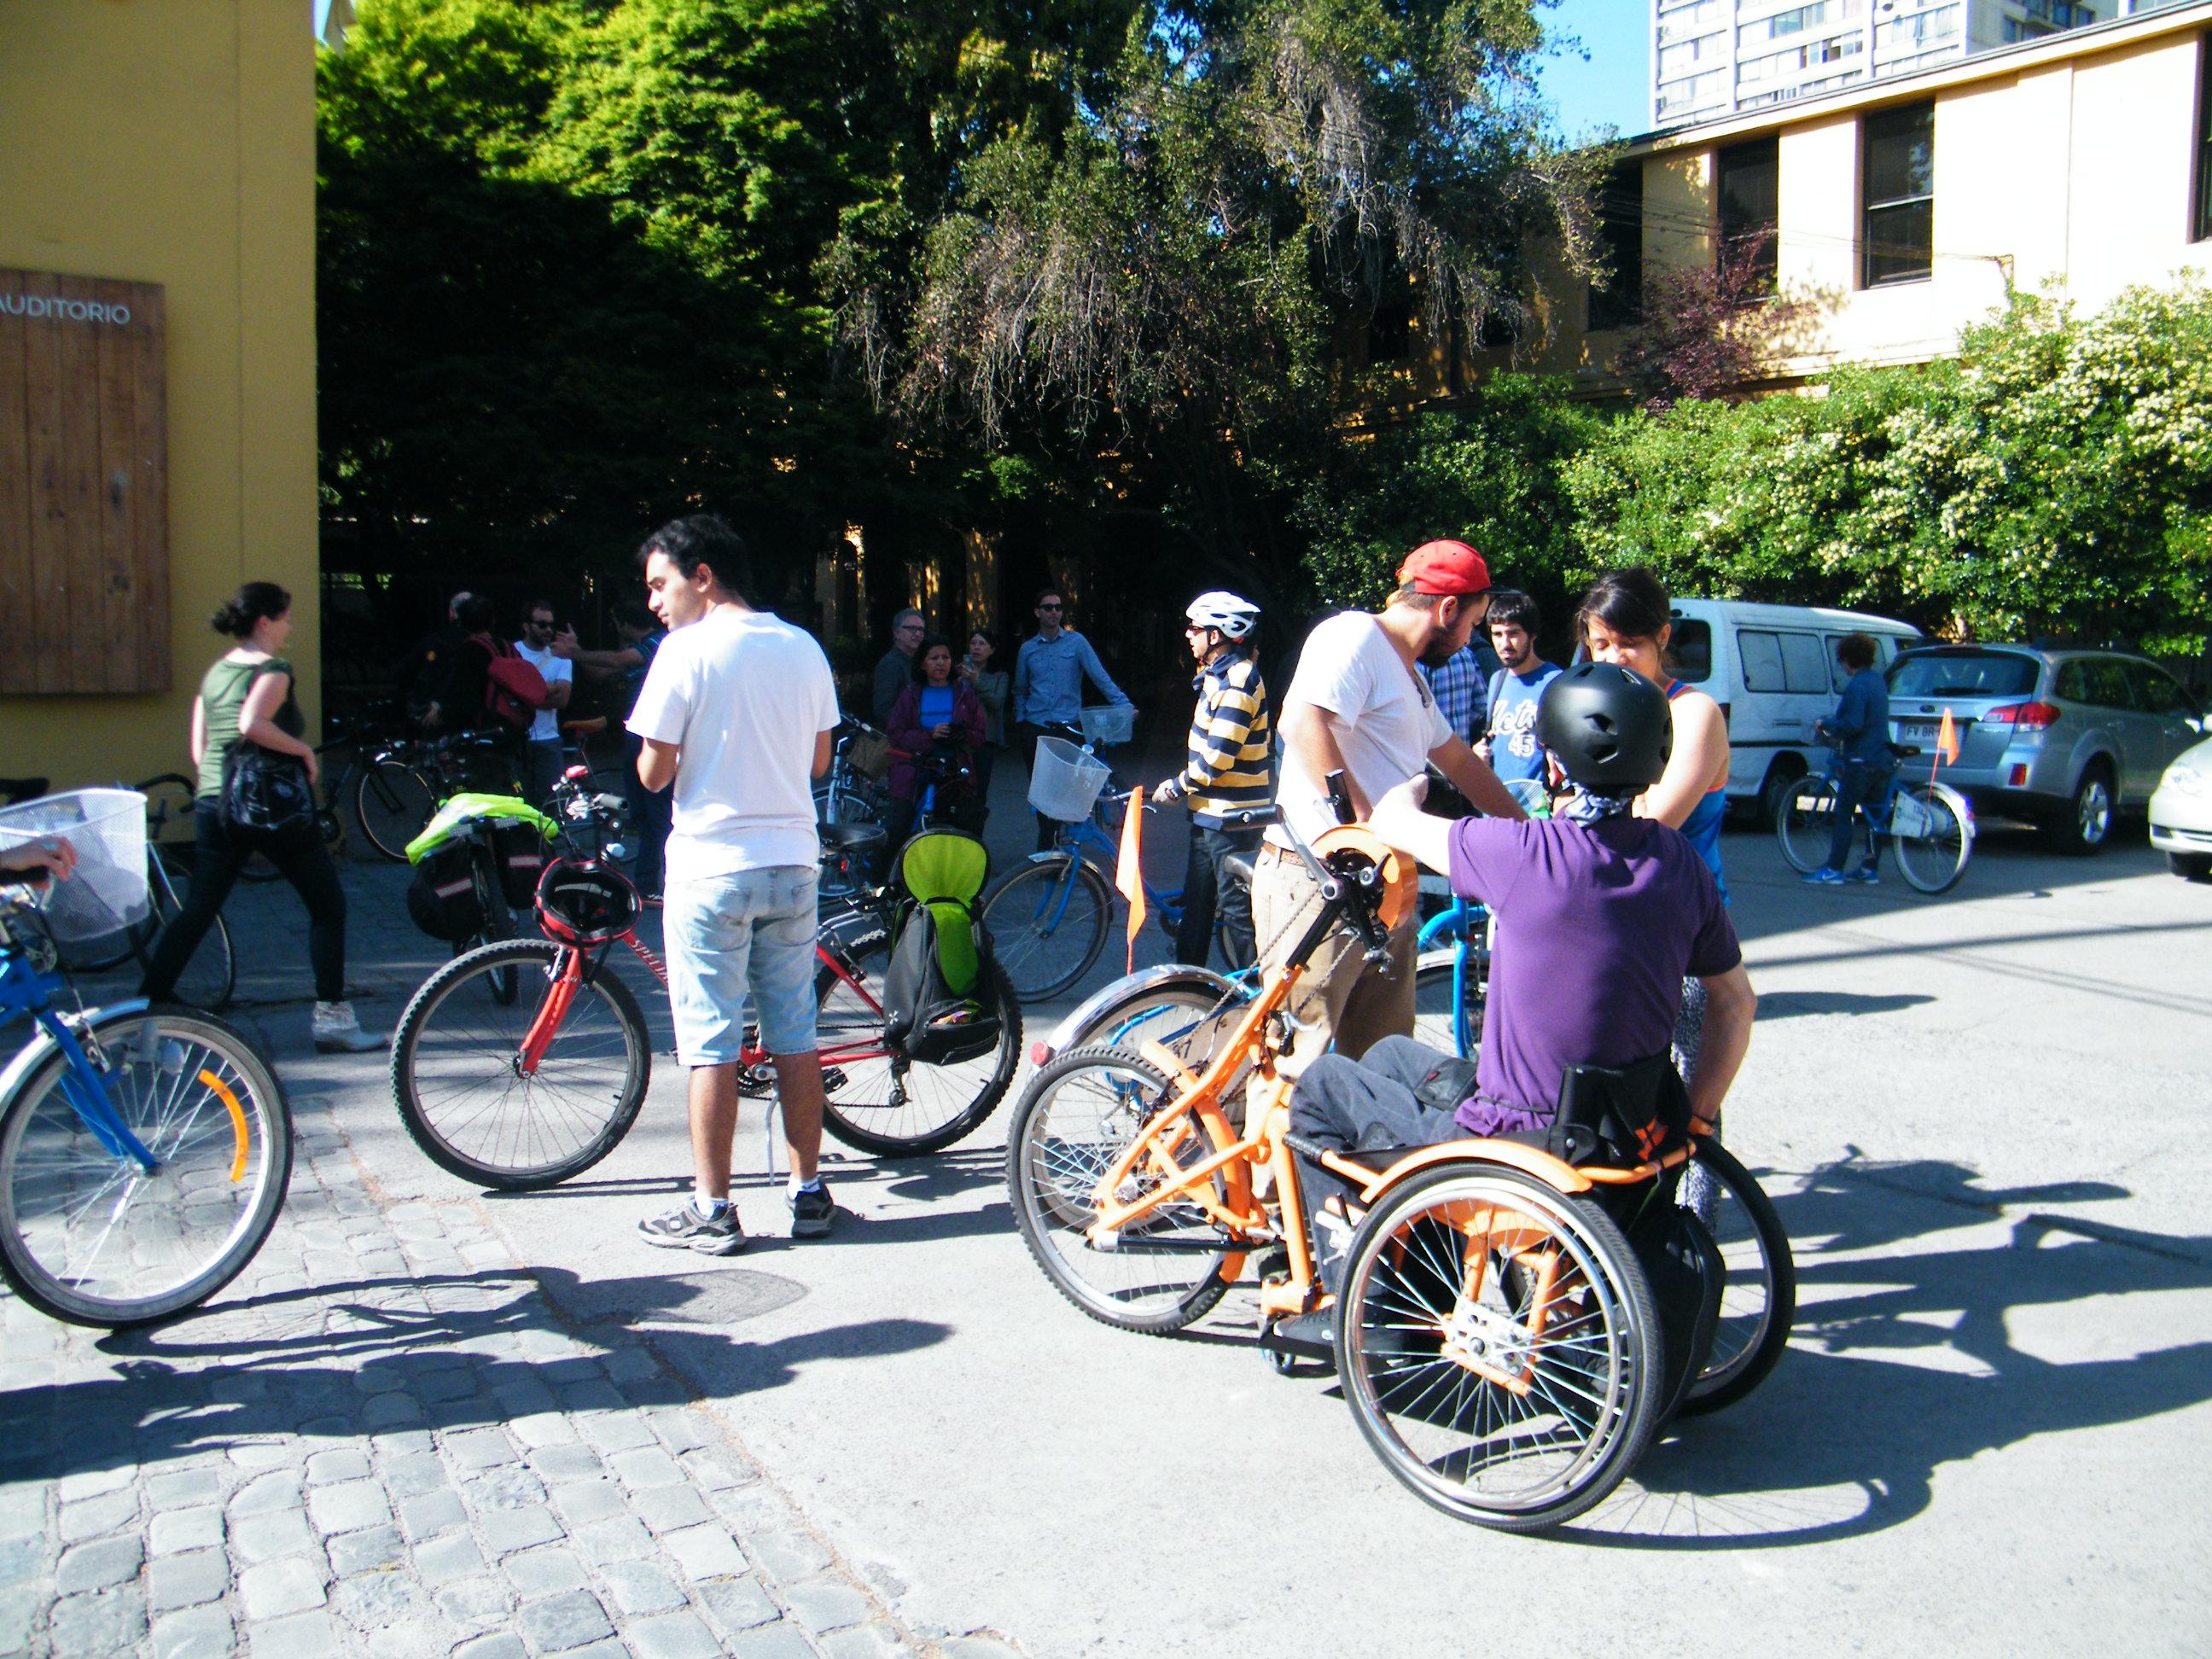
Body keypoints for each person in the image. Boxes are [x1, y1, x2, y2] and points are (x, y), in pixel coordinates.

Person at [1289, 663, 1756, 1286]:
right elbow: (1734, 1006)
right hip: (1622, 1135)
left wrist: (1412, 786)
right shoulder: (1678, 863)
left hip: (1517, 1143)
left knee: (1320, 1086)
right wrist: (1695, 1118)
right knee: (1389, 1057)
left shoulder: (1526, 854)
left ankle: (1366, 1300)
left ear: (1555, 766)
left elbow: (1391, 825)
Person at [626, 515, 841, 1254]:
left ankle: (714, 1211)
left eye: (661, 584)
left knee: (711, 1042)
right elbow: (819, 764)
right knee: (796, 1034)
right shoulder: (803, 647)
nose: (656, 602)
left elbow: (652, 772)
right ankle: (808, 1194)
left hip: (711, 868)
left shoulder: (682, 654)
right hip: (792, 865)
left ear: (703, 575)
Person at [1256, 540, 1526, 1073]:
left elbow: (1462, 765)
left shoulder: (1412, 680)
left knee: (1382, 1063)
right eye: (1475, 623)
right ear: (1448, 609)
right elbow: (1300, 721)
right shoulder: (1353, 634)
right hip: (1320, 878)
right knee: (1296, 1063)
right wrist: (1363, 823)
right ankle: (1273, 1161)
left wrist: (1532, 834)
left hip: (1384, 888)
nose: (1473, 638)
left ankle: (1357, 1157)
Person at [138, 583, 381, 1051]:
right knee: (326, 906)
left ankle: (144, 1013)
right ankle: (333, 1022)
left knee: (198, 911)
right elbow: (252, 724)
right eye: (286, 618)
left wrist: (218, 784)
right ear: (265, 622)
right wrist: (303, 754)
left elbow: (201, 747)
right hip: (272, 805)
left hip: (217, 802)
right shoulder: (273, 669)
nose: (291, 626)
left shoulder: (215, 674)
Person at [1575, 567, 1733, 1088]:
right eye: (1600, 644)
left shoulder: (1694, 712)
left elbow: (1650, 822)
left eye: (1629, 643)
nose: (1613, 659)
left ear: (1663, 637)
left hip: (1682, 933)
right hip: (1607, 923)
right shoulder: (1596, 710)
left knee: (1679, 1101)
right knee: (1598, 1093)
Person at [1150, 591, 1271, 968]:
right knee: (1196, 904)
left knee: (1237, 912)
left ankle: (1259, 999)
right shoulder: (1216, 677)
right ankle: (1189, 980)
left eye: (1196, 627)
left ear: (1217, 634)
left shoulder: (1239, 680)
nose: (1188, 634)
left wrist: (1176, 786)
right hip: (1209, 813)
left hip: (1232, 817)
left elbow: (1217, 758)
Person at [553, 602, 670, 899]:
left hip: (651, 735)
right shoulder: (644, 647)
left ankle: (652, 884)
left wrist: (574, 653)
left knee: (655, 811)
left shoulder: (658, 642)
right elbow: (600, 673)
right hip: (635, 733)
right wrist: (577, 652)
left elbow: (617, 660)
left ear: (623, 624)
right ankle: (646, 880)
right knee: (640, 810)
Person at [1012, 586, 1132, 852]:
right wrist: (1022, 722)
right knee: (1042, 793)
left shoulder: (1076, 643)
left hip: (1068, 728)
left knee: (1065, 791)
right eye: (1048, 607)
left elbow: (1100, 677)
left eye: (1058, 607)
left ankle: (1057, 845)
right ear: (1037, 612)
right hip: (1036, 727)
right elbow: (1020, 689)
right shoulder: (1027, 649)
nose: (1054, 612)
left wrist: (1124, 706)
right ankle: (1048, 845)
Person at [1806, 632, 1894, 886]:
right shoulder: (1877, 681)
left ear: (1847, 660)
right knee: (1875, 814)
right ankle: (1869, 868)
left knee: (1844, 813)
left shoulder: (1856, 686)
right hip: (1881, 757)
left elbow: (1853, 724)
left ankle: (1834, 869)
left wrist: (1827, 724)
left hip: (1860, 759)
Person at [884, 635, 988, 847]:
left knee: (960, 832)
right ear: (923, 664)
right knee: (899, 830)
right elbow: (895, 734)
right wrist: (929, 735)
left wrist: (960, 734)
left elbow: (980, 734)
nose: (941, 662)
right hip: (913, 771)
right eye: (934, 658)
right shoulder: (911, 694)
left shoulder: (964, 693)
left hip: (954, 773)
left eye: (945, 657)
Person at [1477, 590, 1562, 812]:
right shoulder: (1497, 680)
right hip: (1497, 808)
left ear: (1532, 634)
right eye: (1497, 634)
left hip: (1538, 812)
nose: (1505, 643)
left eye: (1513, 633)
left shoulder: (1556, 683)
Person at [513, 598, 575, 807]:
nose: (548, 629)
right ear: (526, 626)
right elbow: (507, 697)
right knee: (518, 803)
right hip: (516, 739)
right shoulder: (513, 654)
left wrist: (524, 694)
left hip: (549, 740)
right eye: (542, 624)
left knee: (550, 804)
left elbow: (562, 699)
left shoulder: (561, 656)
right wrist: (548, 688)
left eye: (551, 624)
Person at [399, 590, 472, 728]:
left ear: (452, 612)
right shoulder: (487, 645)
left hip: (435, 715)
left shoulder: (435, 641)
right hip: (466, 717)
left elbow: (404, 673)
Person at [1417, 633, 1501, 749]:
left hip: (1429, 756)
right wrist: (1463, 720)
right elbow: (1482, 703)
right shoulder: (1466, 655)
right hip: (1461, 752)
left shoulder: (1420, 660)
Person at [873, 608, 926, 728]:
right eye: (912, 628)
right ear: (896, 633)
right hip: (901, 738)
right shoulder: (889, 665)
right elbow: (883, 710)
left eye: (921, 629)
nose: (917, 634)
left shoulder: (921, 663)